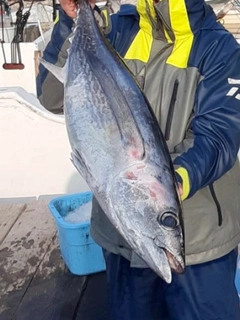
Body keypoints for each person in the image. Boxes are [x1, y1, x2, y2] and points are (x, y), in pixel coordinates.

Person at [37, 0, 240, 319]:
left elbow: (220, 136)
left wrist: (173, 184)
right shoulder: (114, 30)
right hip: (122, 238)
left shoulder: (219, 48)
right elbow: (51, 98)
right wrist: (70, 19)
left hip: (202, 245)